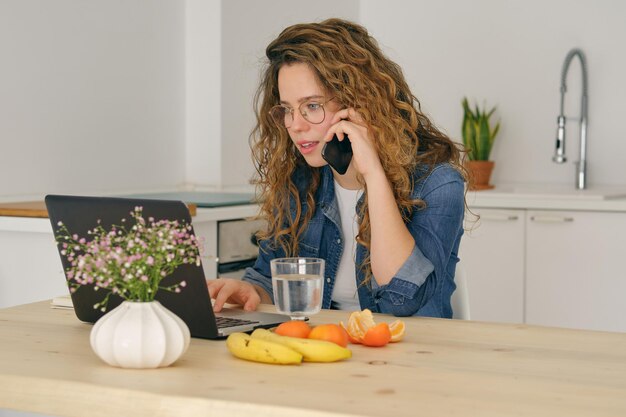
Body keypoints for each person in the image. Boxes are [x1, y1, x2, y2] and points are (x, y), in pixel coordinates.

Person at [208, 18, 466, 318]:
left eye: (312, 106)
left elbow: (401, 300)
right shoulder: (301, 180)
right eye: (287, 109)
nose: (295, 125)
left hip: (411, 354)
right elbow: (269, 274)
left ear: (360, 103)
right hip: (328, 349)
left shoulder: (438, 182)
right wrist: (252, 291)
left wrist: (373, 175)